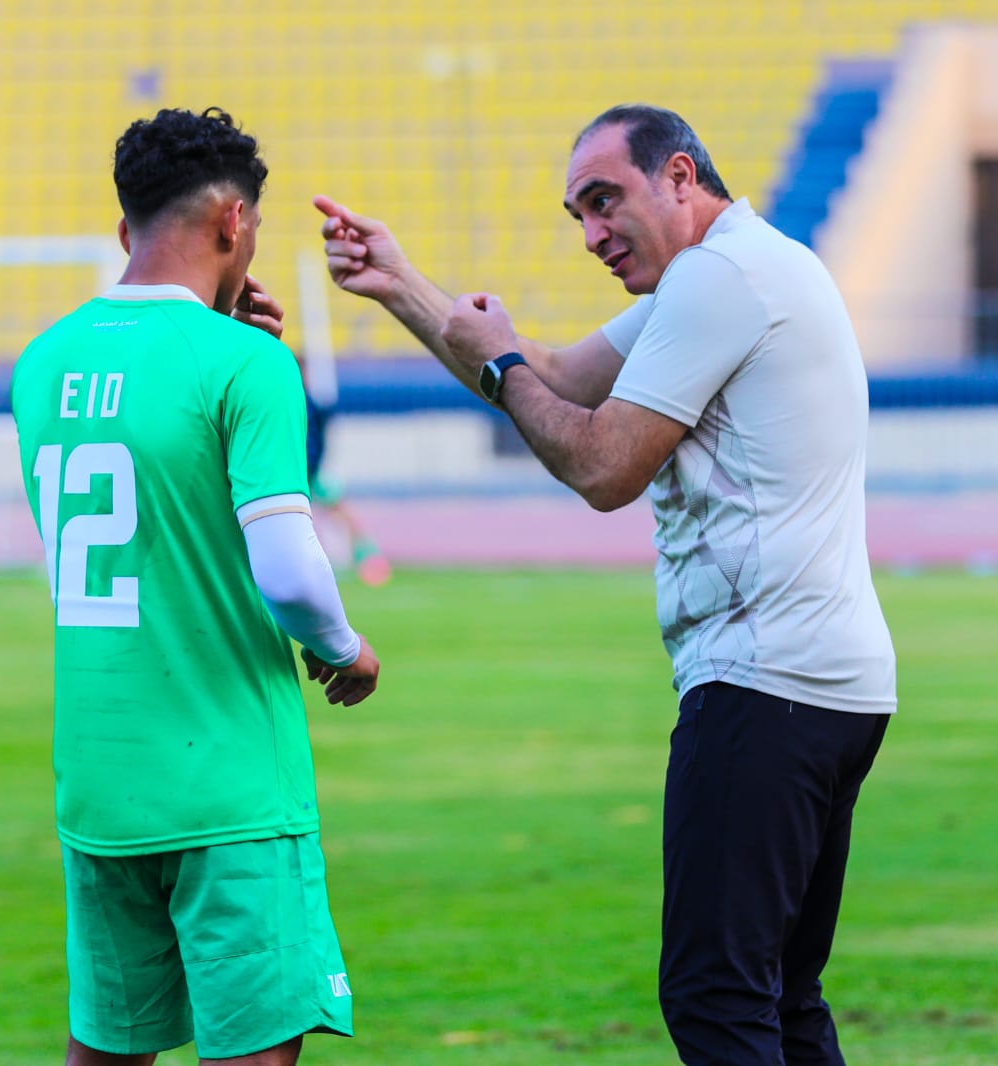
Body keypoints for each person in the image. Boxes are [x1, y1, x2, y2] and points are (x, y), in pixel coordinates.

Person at [316, 103, 896, 1065]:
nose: (591, 235)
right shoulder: (739, 270)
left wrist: (502, 362)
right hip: (833, 683)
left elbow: (599, 465)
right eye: (578, 214)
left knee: (716, 997)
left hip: (764, 680)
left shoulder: (717, 279)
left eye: (604, 200)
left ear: (680, 176)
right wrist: (402, 286)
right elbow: (556, 377)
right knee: (782, 1001)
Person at [11, 106, 380, 1066]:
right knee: (254, 1047)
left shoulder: (41, 362)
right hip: (226, 779)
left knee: (107, 1048)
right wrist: (345, 649)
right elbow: (290, 570)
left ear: (124, 229)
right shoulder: (248, 363)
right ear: (233, 222)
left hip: (100, 777)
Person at [297, 356, 392, 585]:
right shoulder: (298, 403)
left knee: (335, 510)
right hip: (301, 471)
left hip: (308, 471)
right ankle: (361, 555)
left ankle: (365, 555)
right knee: (321, 513)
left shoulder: (307, 403)